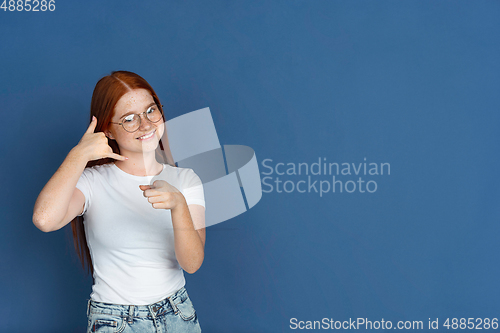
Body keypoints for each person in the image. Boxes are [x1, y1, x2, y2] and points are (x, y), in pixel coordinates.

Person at [32, 71, 206, 332]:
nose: (146, 125)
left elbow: (191, 264)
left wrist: (178, 206)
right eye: (129, 119)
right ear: (108, 131)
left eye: (150, 111)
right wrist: (78, 154)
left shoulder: (187, 180)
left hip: (177, 315)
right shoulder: (92, 182)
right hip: (116, 321)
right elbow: (44, 220)